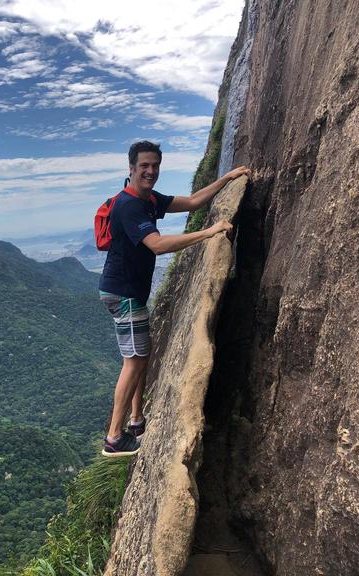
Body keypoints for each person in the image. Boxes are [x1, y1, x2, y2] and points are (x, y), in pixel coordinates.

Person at [99, 140, 250, 456]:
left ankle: (137, 421)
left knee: (141, 355)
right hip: (123, 293)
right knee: (135, 360)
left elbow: (194, 201)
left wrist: (229, 177)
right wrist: (208, 233)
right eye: (144, 166)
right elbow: (156, 244)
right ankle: (114, 438)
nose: (151, 171)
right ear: (131, 168)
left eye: (155, 165)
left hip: (128, 292)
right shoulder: (129, 206)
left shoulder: (150, 200)